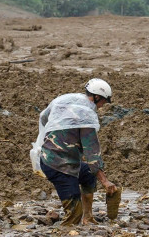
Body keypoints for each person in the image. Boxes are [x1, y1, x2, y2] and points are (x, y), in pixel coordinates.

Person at [30, 78, 121, 225]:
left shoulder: (66, 100)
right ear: (97, 97)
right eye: (104, 101)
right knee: (73, 216)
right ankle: (65, 229)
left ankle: (88, 218)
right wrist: (105, 181)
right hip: (58, 166)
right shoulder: (87, 118)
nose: (103, 105)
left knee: (88, 175)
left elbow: (44, 116)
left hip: (58, 160)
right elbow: (92, 154)